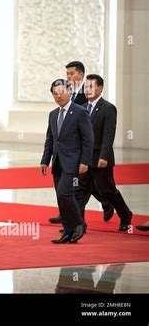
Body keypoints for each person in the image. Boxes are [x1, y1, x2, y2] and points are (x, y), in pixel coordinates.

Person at [49, 61, 114, 224]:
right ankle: (71, 215)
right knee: (80, 183)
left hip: (83, 146)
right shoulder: (66, 92)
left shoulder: (87, 92)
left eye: (72, 73)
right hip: (69, 146)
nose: (69, 76)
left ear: (81, 75)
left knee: (84, 183)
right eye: (67, 74)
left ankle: (78, 217)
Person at [74, 75, 133, 232]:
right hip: (84, 158)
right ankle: (78, 224)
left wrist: (104, 156)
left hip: (100, 157)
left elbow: (109, 134)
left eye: (91, 87)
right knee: (80, 191)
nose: (87, 90)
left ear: (100, 88)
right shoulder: (82, 108)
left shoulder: (108, 108)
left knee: (108, 190)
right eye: (85, 87)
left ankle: (126, 215)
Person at [40, 79, 94, 244]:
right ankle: (67, 232)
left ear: (70, 92)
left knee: (65, 193)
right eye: (55, 94)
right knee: (61, 197)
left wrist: (85, 161)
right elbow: (50, 140)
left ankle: (79, 223)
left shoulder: (80, 112)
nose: (58, 96)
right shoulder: (53, 114)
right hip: (57, 162)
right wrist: (44, 161)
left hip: (74, 161)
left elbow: (88, 139)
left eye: (61, 92)